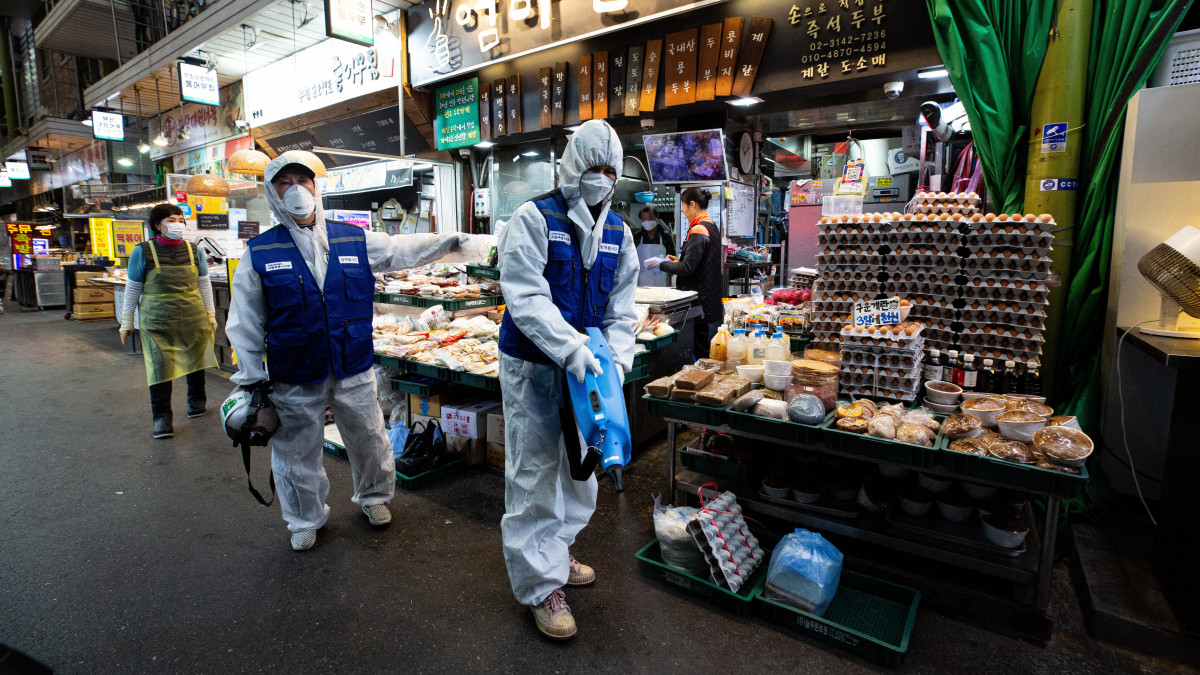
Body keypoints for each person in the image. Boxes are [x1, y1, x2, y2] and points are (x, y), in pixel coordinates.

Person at [224, 150, 467, 552]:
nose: (297, 190)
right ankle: (304, 518)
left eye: (304, 181)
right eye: (286, 183)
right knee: (296, 449)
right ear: (272, 192)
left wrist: (454, 242)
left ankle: (374, 498)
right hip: (295, 371)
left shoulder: (352, 238)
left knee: (370, 436)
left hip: (352, 364)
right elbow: (245, 323)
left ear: (316, 189)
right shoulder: (260, 252)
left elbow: (400, 249)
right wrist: (252, 379)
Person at [497, 119, 639, 640]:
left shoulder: (619, 234)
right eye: (592, 167)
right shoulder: (534, 217)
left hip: (589, 373)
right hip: (533, 366)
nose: (600, 178)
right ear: (572, 165)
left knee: (581, 476)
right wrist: (569, 347)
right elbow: (525, 296)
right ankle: (541, 587)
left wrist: (616, 363)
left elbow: (622, 312)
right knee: (534, 474)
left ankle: (556, 553)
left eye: (609, 170)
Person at [119, 203, 218, 439]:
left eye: (180, 219)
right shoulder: (142, 251)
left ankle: (196, 402)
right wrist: (126, 321)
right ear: (157, 225)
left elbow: (204, 283)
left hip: (193, 314)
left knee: (196, 359)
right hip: (157, 319)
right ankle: (162, 418)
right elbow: (132, 288)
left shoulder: (195, 251)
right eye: (171, 219)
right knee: (159, 367)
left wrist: (210, 313)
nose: (178, 224)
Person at [647, 187, 723, 358]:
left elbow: (687, 269)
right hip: (708, 297)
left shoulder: (698, 229)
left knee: (700, 351)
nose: (683, 211)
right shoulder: (712, 226)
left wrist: (661, 264)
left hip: (698, 300)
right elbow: (700, 262)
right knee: (704, 349)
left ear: (692, 205)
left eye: (683, 206)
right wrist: (677, 261)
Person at [631, 205, 675, 287]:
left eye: (650, 218)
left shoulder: (666, 237)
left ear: (657, 219)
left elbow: (672, 259)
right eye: (643, 219)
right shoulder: (636, 237)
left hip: (662, 282)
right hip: (640, 282)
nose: (646, 221)